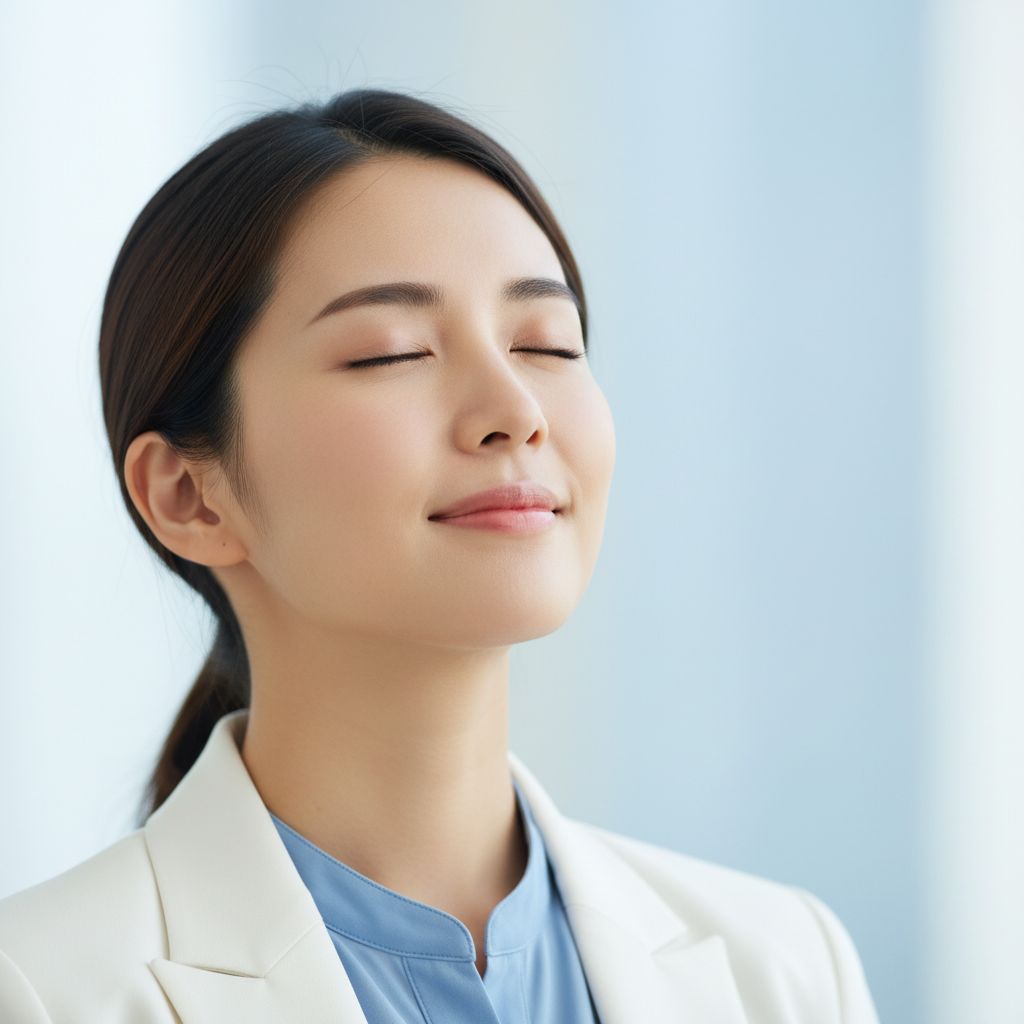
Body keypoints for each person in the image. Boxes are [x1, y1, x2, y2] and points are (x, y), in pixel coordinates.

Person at [0, 87, 881, 1023]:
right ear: (189, 495)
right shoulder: (42, 989)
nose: (517, 411)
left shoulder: (783, 968)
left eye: (547, 343)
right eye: (390, 354)